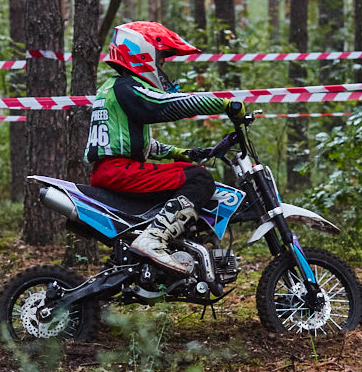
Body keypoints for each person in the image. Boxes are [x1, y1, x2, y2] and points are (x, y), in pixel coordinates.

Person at [86, 21, 245, 274]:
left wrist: (179, 153)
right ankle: (154, 239)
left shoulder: (112, 88)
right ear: (141, 53)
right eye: (160, 60)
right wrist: (221, 104)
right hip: (120, 171)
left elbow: (130, 141)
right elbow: (162, 104)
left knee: (187, 169)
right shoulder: (127, 88)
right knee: (200, 179)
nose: (161, 67)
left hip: (113, 169)